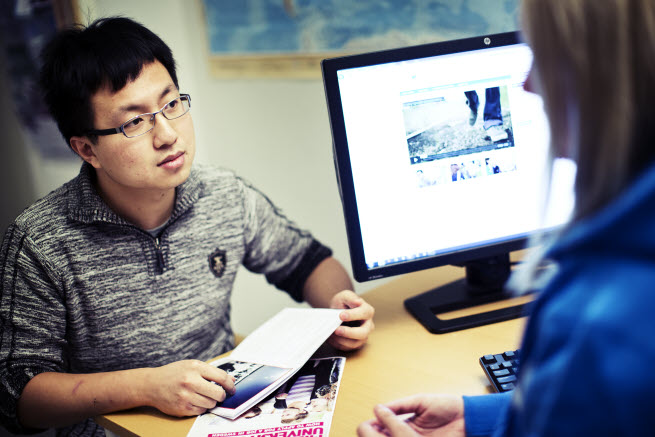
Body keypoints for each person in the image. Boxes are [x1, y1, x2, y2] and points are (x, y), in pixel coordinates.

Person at [0, 17, 375, 437]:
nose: (167, 135)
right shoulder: (40, 242)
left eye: (171, 104)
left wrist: (340, 313)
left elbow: (309, 263)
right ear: (88, 149)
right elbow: (17, 395)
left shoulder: (222, 194)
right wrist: (145, 386)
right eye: (134, 122)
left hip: (229, 417)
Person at [358, 0, 655, 436]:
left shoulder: (599, 323)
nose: (529, 85)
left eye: (545, 55)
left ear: (600, 75)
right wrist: (478, 417)